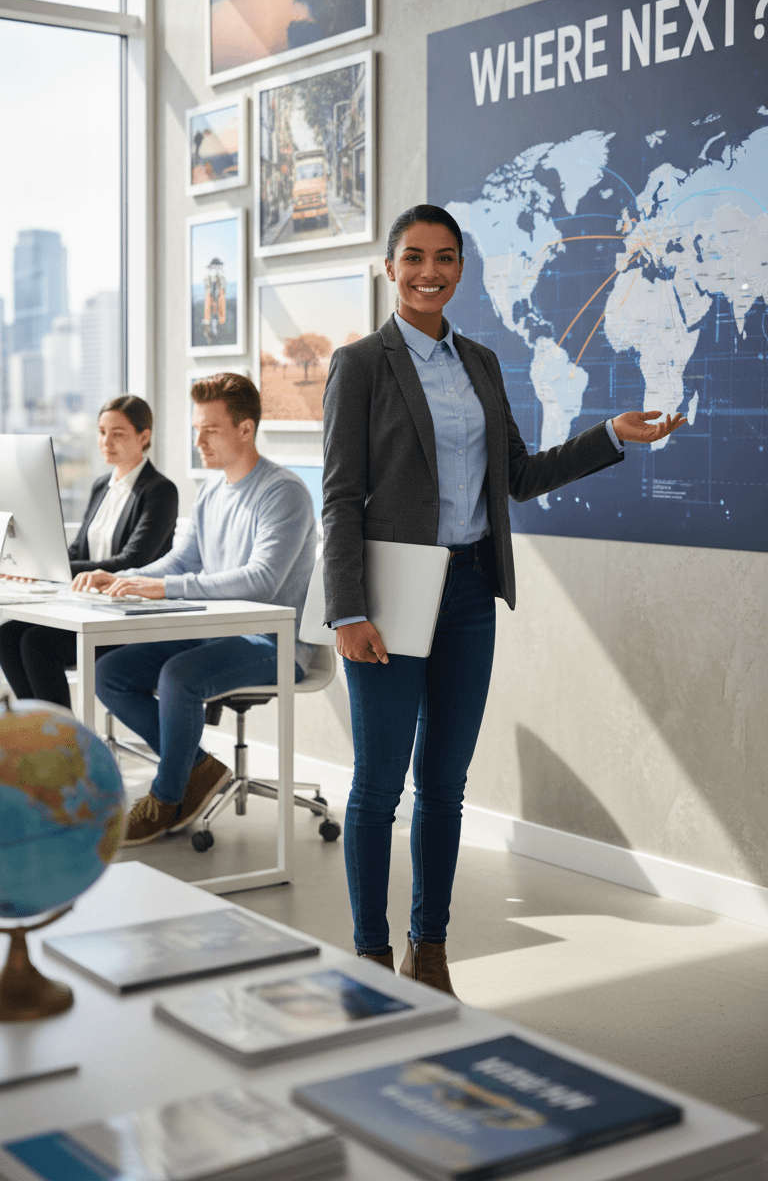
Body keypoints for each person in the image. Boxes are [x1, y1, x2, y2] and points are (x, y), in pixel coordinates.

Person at [322, 204, 687, 996]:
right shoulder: (360, 365)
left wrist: (610, 437)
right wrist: (346, 611)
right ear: (390, 268)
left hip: (470, 589)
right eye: (414, 257)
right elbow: (341, 497)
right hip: (387, 595)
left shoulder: (482, 362)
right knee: (378, 785)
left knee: (445, 784)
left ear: (461, 268)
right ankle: (369, 958)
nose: (430, 272)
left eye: (445, 258)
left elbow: (515, 476)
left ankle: (432, 950)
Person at [87, 372, 316, 845]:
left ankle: (167, 798)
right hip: (219, 630)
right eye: (196, 429)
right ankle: (198, 769)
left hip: (274, 640)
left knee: (179, 676)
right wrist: (130, 579)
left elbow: (262, 579)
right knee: (110, 672)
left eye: (210, 430)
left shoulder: (284, 492)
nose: (198, 441)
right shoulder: (212, 489)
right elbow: (183, 559)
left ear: (245, 430)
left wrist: (166, 589)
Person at [0, 394, 177, 710]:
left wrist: (55, 568)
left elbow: (131, 561)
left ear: (144, 436)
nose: (106, 441)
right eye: (101, 432)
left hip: (126, 614)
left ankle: (66, 746)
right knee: (7, 637)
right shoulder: (100, 486)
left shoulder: (160, 491)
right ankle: (41, 735)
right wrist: (39, 563)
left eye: (117, 433)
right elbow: (80, 548)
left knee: (35, 644)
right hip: (88, 606)